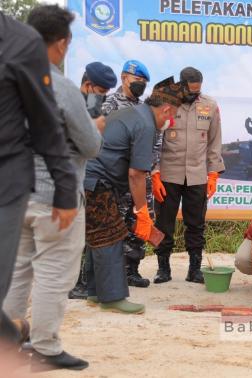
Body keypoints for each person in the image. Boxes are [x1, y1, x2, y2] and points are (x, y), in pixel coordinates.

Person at [2, 5, 103, 371]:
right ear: (61, 44)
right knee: (53, 276)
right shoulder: (60, 87)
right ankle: (44, 346)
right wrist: (95, 128)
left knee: (16, 271)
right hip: (54, 200)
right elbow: (90, 146)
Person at [0, 10, 77, 350]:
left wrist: (65, 187)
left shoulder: (18, 48)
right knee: (41, 273)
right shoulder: (61, 84)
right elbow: (84, 141)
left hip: (12, 187)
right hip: (28, 191)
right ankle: (28, 338)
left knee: (14, 273)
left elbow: (42, 126)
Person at [83, 77, 185, 314]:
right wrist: (143, 212)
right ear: (167, 108)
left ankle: (95, 292)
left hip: (89, 178)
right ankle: (112, 298)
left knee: (100, 234)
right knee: (111, 236)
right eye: (172, 116)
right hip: (99, 181)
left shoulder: (133, 113)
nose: (169, 122)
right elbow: (137, 175)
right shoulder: (146, 124)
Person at [152, 67, 225, 284]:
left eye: (197, 90)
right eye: (190, 91)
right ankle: (163, 268)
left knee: (196, 224)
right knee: (164, 223)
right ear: (181, 85)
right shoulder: (165, 103)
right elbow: (154, 141)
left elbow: (214, 142)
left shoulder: (209, 106)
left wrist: (213, 174)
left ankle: (195, 269)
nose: (194, 94)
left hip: (197, 176)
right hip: (168, 175)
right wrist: (154, 172)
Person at [102, 60, 154, 288]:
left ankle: (131, 269)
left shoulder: (144, 108)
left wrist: (156, 167)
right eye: (137, 80)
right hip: (116, 177)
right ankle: (108, 274)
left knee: (138, 223)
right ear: (124, 78)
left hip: (140, 175)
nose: (140, 85)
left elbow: (154, 140)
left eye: (144, 82)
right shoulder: (109, 103)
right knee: (113, 225)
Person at [69, 62, 118, 300]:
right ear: (88, 85)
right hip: (65, 185)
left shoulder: (92, 109)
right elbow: (89, 148)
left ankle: (82, 284)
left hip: (84, 182)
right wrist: (93, 130)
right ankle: (73, 284)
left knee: (85, 234)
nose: (101, 98)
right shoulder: (72, 105)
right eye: (100, 93)